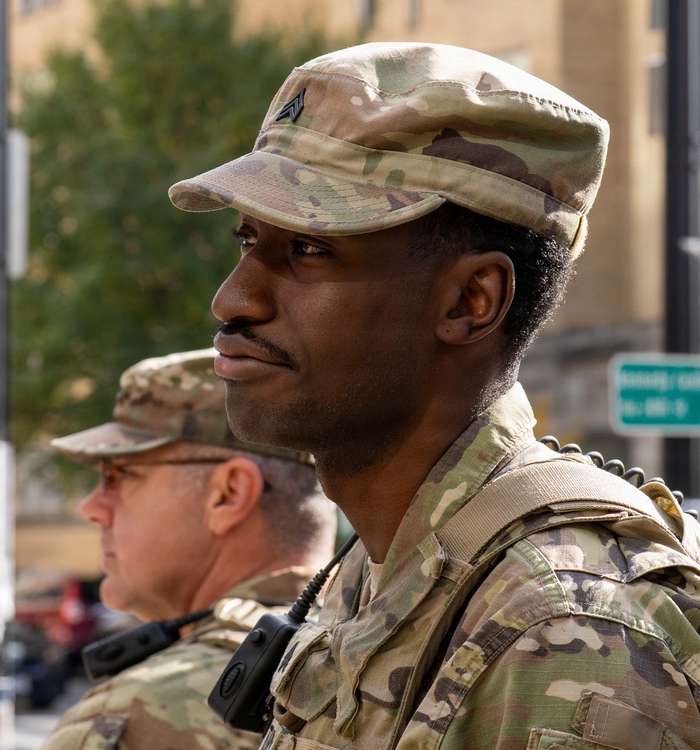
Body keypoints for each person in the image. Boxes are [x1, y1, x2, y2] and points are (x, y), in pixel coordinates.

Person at [168, 42, 700, 748]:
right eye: (247, 240)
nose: (232, 299)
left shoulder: (563, 628)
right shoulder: (382, 570)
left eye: (311, 249)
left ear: (471, 300)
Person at [41, 348, 337, 749]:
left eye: (119, 474)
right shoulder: (384, 660)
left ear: (228, 495)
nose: (91, 507)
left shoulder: (140, 712)